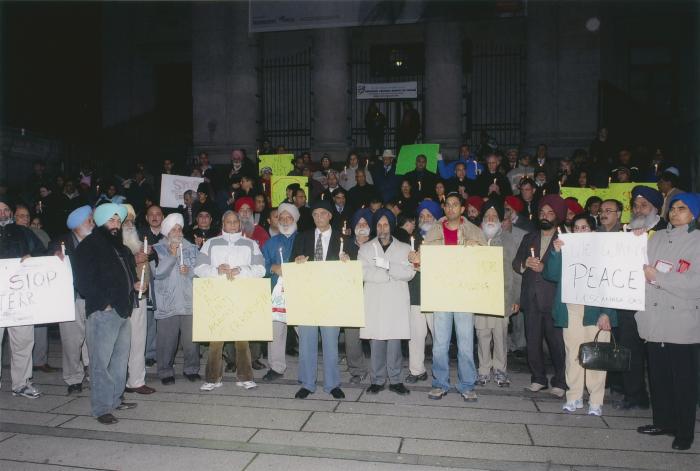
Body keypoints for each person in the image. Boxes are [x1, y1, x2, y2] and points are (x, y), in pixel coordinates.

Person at [635, 193, 700, 450]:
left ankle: (684, 432)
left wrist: (659, 278)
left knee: (682, 380)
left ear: (694, 214)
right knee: (658, 376)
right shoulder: (657, 237)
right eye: (672, 208)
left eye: (682, 209)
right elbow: (638, 264)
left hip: (681, 320)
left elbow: (695, 283)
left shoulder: (697, 242)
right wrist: (634, 243)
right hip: (654, 318)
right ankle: (663, 421)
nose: (675, 213)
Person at [73, 203, 142, 424]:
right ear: (100, 221)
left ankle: (115, 399)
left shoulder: (120, 248)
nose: (116, 224)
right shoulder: (89, 245)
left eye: (117, 220)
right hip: (104, 312)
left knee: (120, 361)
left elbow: (128, 274)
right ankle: (101, 408)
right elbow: (83, 281)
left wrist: (137, 284)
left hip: (123, 311)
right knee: (100, 363)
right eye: (111, 220)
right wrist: (104, 304)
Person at [543, 213, 618, 416]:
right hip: (571, 309)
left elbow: (612, 284)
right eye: (576, 228)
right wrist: (556, 253)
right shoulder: (567, 249)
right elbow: (550, 274)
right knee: (573, 355)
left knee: (597, 356)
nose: (579, 231)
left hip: (596, 310)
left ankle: (595, 400)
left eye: (584, 227)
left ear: (593, 231)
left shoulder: (605, 252)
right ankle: (574, 396)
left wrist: (606, 313)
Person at [418, 192, 487, 401]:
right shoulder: (433, 232)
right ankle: (440, 383)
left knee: (466, 342)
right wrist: (416, 259)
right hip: (441, 294)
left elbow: (487, 264)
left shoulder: (474, 231)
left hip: (465, 295)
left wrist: (480, 250)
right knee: (440, 342)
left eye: (455, 205)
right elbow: (424, 264)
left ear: (462, 209)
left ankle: (467, 385)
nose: (451, 209)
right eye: (447, 205)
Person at [194, 210, 265, 391]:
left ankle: (245, 377)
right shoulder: (210, 244)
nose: (232, 225)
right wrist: (216, 270)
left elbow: (261, 269)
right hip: (217, 297)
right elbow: (199, 268)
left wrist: (242, 270)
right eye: (228, 222)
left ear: (240, 224)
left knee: (242, 338)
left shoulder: (250, 244)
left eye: (235, 222)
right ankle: (212, 378)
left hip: (241, 296)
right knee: (216, 338)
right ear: (222, 224)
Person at [513, 194, 567, 397]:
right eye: (542, 213)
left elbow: (570, 270)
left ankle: (561, 381)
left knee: (557, 344)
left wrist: (547, 267)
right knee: (532, 341)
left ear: (558, 216)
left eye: (550, 213)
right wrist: (524, 263)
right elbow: (516, 263)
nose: (545, 216)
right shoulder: (529, 237)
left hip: (553, 299)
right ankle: (538, 378)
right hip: (531, 298)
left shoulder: (565, 239)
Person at [290, 199, 345, 399]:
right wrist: (296, 262)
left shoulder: (342, 239)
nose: (319, 217)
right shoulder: (302, 238)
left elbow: (353, 271)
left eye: (323, 213)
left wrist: (347, 263)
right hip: (308, 297)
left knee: (331, 341)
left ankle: (332, 384)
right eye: (315, 214)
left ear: (330, 215)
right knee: (307, 341)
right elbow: (291, 264)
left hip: (332, 298)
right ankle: (307, 382)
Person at [359, 209, 415, 396]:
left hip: (395, 301)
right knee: (376, 342)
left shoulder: (404, 248)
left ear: (391, 226)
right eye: (379, 225)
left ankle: (396, 380)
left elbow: (409, 273)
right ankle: (377, 380)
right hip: (375, 300)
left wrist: (388, 265)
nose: (382, 228)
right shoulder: (365, 248)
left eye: (386, 224)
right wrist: (385, 274)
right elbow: (362, 272)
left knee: (394, 343)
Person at [0, 197, 45, 399]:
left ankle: (22, 383)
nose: (3, 213)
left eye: (6, 209)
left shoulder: (23, 232)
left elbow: (42, 253)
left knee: (23, 341)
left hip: (19, 297)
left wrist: (32, 258)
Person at [475, 198, 521, 388]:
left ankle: (501, 370)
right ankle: (484, 370)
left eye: (495, 216)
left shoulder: (509, 241)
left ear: (501, 220)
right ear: (482, 220)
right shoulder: (474, 239)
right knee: (482, 335)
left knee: (501, 336)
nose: (491, 219)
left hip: (502, 298)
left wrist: (516, 298)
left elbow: (517, 273)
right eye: (487, 216)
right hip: (479, 298)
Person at [150, 213, 200, 385]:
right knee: (166, 341)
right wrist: (171, 256)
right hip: (167, 302)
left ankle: (191, 369)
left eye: (179, 229)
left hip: (188, 301)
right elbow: (157, 274)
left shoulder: (192, 248)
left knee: (191, 340)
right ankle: (165, 371)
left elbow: (200, 272)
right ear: (166, 232)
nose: (177, 232)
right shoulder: (156, 249)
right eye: (173, 229)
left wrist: (190, 272)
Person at [50, 205, 94, 394]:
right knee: (71, 341)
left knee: (93, 339)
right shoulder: (61, 242)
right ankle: (73, 379)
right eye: (89, 219)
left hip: (93, 298)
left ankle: (94, 372)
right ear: (77, 224)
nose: (93, 222)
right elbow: (45, 261)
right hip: (71, 299)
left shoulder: (97, 240)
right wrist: (53, 257)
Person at [120, 204, 156, 395]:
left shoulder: (139, 238)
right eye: (126, 220)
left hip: (139, 295)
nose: (129, 223)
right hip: (120, 297)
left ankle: (136, 380)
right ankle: (120, 380)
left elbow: (152, 257)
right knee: (120, 341)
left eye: (132, 220)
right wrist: (135, 259)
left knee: (139, 339)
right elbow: (115, 263)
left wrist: (149, 253)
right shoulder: (114, 241)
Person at [261, 203, 299, 381]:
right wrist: (272, 268)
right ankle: (276, 367)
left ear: (295, 219)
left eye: (288, 217)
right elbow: (261, 266)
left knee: (304, 329)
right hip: (276, 293)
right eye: (281, 218)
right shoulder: (271, 243)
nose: (284, 221)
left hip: (300, 292)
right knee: (276, 330)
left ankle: (307, 366)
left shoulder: (304, 238)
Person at [402, 201, 440, 383]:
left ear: (436, 219)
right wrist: (409, 260)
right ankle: (416, 370)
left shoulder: (442, 240)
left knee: (439, 336)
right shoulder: (410, 240)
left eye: (429, 216)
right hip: (415, 294)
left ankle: (441, 371)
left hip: (435, 295)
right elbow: (402, 266)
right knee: (416, 335)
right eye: (422, 216)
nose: (425, 219)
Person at [340, 208, 373, 384]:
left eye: (365, 223)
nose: (362, 226)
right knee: (352, 334)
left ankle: (378, 369)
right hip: (350, 295)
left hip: (374, 294)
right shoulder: (345, 244)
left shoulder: (377, 245)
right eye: (359, 223)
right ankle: (357, 369)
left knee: (376, 333)